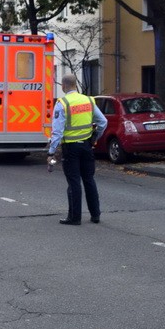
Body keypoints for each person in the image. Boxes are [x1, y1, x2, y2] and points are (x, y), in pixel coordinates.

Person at [48, 74, 107, 226]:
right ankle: (95, 215)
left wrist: (51, 152)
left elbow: (57, 131)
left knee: (74, 182)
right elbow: (103, 122)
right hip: (87, 146)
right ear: (75, 85)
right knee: (89, 180)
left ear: (63, 86)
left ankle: (75, 217)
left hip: (71, 148)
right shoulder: (89, 100)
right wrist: (95, 138)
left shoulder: (63, 103)